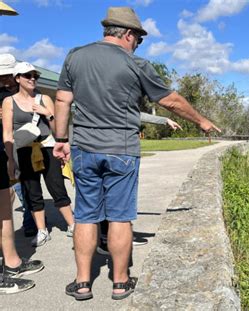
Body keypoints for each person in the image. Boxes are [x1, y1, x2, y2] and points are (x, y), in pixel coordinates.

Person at [53, 6, 220, 301]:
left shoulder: (75, 56)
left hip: (84, 148)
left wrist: (61, 139)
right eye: (138, 40)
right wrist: (202, 121)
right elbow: (171, 101)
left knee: (86, 216)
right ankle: (120, 282)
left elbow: (63, 100)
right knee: (119, 217)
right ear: (128, 34)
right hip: (122, 149)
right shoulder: (136, 65)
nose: (138, 46)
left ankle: (82, 283)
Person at [2, 61, 75, 247]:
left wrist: (47, 114)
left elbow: (57, 129)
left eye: (35, 76)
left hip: (47, 148)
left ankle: (73, 225)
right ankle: (42, 231)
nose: (33, 79)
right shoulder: (9, 102)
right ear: (17, 78)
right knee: (32, 193)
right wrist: (10, 159)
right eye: (28, 75)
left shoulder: (44, 99)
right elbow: (8, 133)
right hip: (24, 151)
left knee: (57, 188)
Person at [96, 115, 182, 255]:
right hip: (117, 151)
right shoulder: (114, 99)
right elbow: (135, 112)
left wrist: (164, 120)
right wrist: (164, 120)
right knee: (119, 200)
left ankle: (108, 239)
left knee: (105, 198)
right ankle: (112, 240)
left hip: (95, 149)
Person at [0, 53, 44, 294]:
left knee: (5, 210)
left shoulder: (6, 97)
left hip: (2, 156)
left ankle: (12, 262)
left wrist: (8, 159)